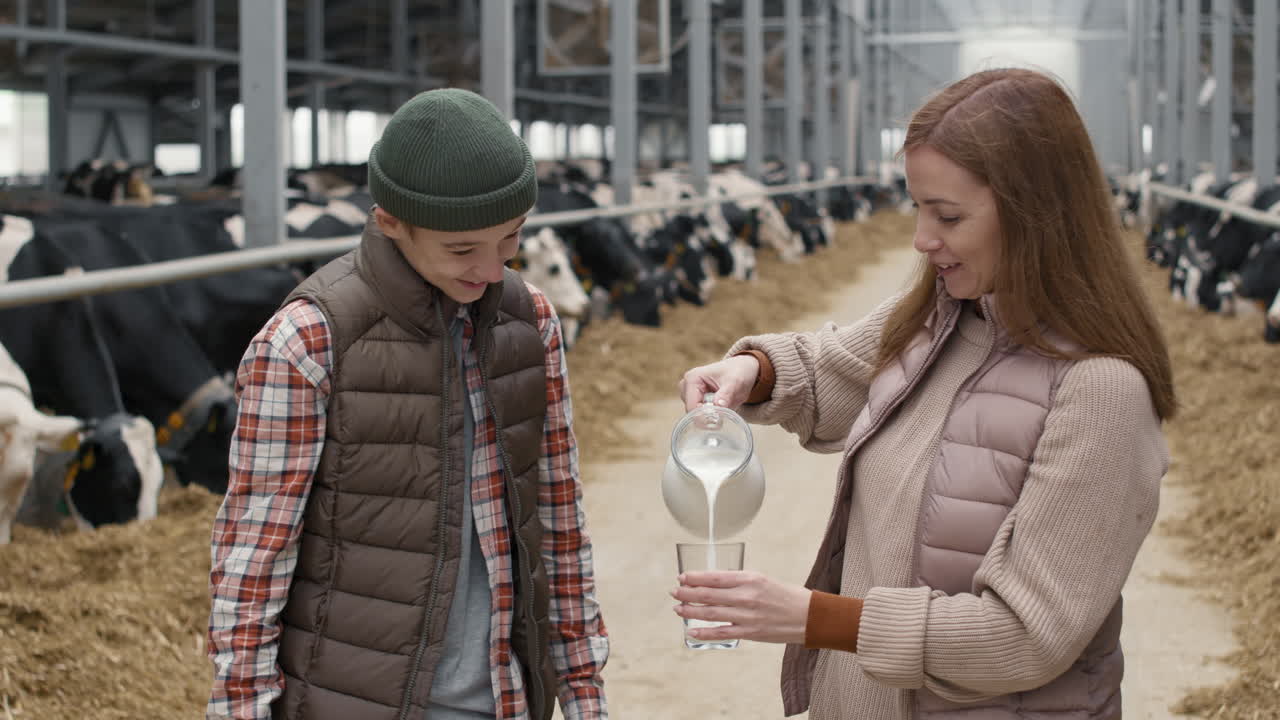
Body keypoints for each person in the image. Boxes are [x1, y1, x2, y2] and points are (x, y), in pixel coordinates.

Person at [672, 68, 1174, 719]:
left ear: (1035, 214)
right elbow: (830, 372)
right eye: (918, 206)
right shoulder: (942, 316)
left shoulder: (1101, 394)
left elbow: (1025, 638)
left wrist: (815, 619)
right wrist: (754, 372)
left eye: (949, 215)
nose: (921, 238)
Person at [206, 88, 609, 720]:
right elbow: (254, 556)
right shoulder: (307, 341)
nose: (492, 269)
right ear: (389, 221)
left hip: (504, 699)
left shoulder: (532, 322)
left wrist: (584, 693)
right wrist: (240, 708)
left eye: (510, 239)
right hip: (352, 701)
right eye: (460, 249)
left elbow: (558, 519)